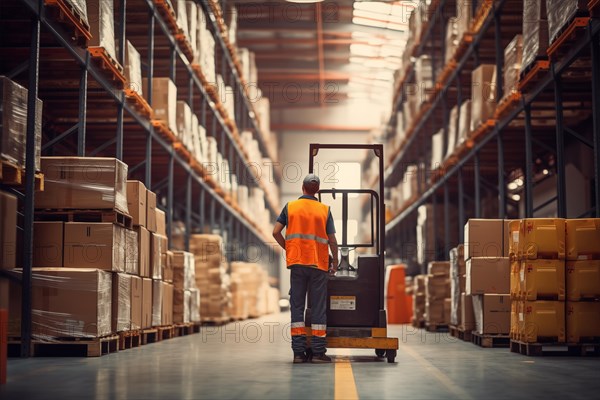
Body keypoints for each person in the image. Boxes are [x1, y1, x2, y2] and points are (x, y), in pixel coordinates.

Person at [272, 174, 338, 364]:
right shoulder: (324, 210)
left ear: (302, 188)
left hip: (298, 264)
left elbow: (276, 232)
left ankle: (299, 353)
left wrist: (290, 249)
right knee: (318, 307)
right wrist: (334, 263)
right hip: (318, 264)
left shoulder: (290, 206)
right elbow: (332, 240)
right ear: (317, 190)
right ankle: (318, 353)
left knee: (297, 307)